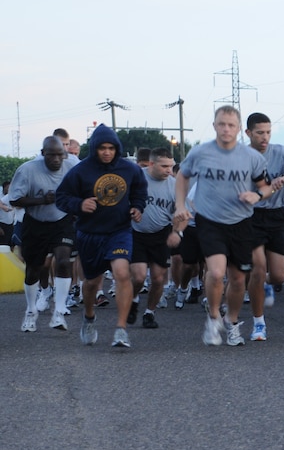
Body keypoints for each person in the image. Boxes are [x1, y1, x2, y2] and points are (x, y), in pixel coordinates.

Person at [174, 105, 271, 347]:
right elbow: (182, 175)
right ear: (215, 125)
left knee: (238, 279)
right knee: (216, 273)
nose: (226, 129)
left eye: (231, 125)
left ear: (239, 129)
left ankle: (232, 321)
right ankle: (213, 317)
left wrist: (257, 196)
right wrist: (179, 205)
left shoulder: (252, 157)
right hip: (210, 220)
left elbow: (266, 186)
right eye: (221, 124)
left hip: (241, 222)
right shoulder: (201, 152)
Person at [56, 124, 148, 348]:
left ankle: (121, 329)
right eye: (102, 148)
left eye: (111, 148)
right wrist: (79, 204)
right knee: (91, 283)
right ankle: (88, 317)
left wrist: (137, 207)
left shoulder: (129, 169)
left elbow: (139, 190)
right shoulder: (80, 170)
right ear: (95, 148)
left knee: (122, 273)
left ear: (117, 148)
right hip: (90, 233)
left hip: (119, 230)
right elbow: (61, 197)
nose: (107, 152)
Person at [8, 136, 78, 332]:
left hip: (62, 221)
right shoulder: (28, 169)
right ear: (42, 154)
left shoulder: (71, 168)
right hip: (35, 223)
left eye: (60, 155)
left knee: (63, 261)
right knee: (34, 270)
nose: (56, 159)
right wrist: (41, 200)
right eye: (51, 155)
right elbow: (14, 200)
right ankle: (31, 311)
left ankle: (59, 311)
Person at [245, 112, 284, 341]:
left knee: (278, 275)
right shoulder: (240, 156)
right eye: (259, 133)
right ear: (248, 133)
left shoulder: (283, 153)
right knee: (257, 268)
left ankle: (257, 285)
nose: (264, 137)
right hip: (250, 217)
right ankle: (258, 323)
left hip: (277, 216)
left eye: (268, 132)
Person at [127, 147, 177, 330]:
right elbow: (121, 200)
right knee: (139, 277)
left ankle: (149, 313)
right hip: (136, 233)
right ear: (151, 164)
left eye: (171, 166)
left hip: (161, 234)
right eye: (164, 166)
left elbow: (180, 214)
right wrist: (130, 211)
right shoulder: (135, 177)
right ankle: (132, 300)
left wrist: (176, 232)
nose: (169, 171)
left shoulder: (173, 185)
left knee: (157, 279)